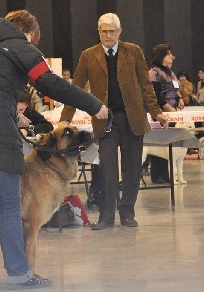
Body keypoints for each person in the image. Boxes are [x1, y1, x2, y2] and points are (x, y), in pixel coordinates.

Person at [0, 9, 108, 290]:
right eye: (34, 41)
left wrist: (12, 113)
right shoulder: (21, 46)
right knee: (10, 207)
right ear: (29, 33)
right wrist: (95, 105)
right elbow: (51, 83)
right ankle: (19, 274)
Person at [59, 13, 168, 230]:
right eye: (103, 31)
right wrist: (65, 119)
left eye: (112, 31)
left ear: (120, 31)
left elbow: (146, 85)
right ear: (98, 31)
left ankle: (127, 213)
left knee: (132, 168)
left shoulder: (133, 51)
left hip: (132, 118)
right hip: (104, 120)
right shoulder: (88, 55)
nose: (108, 35)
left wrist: (156, 112)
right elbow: (75, 89)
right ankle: (106, 217)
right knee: (107, 168)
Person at [148, 44, 184, 184]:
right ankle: (158, 175)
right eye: (168, 54)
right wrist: (167, 106)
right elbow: (154, 94)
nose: (171, 57)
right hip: (160, 112)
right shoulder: (154, 72)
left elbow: (176, 88)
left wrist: (180, 99)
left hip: (173, 113)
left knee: (170, 143)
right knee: (159, 144)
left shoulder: (170, 72)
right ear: (161, 56)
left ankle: (168, 173)